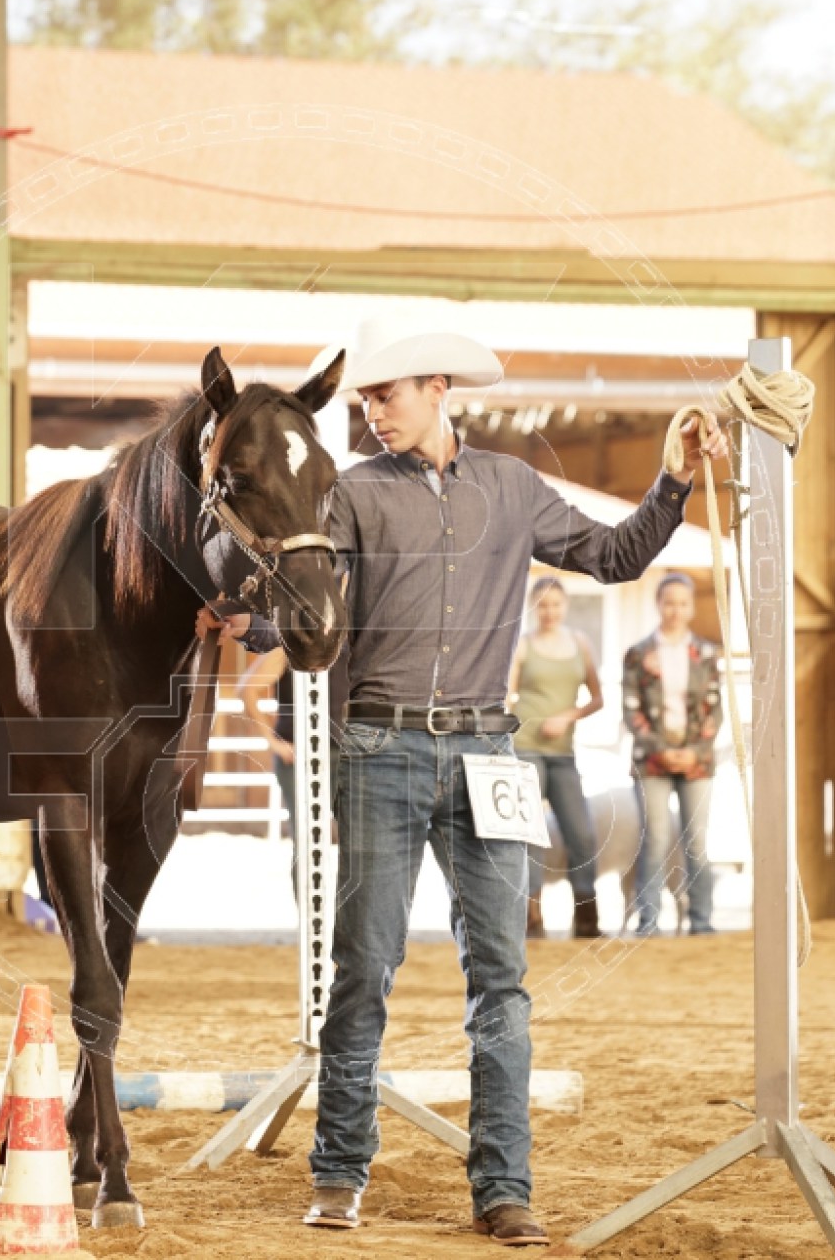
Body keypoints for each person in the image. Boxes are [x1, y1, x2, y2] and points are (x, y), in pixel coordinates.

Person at [207, 328, 726, 1246]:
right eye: (366, 400)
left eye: (388, 395)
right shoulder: (350, 492)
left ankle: (503, 1187)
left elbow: (615, 556)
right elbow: (305, 602)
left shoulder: (515, 488)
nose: (374, 412)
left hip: (490, 750)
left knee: (502, 981)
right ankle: (338, 1172)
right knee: (363, 967)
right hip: (378, 745)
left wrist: (674, 479)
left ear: (438, 387)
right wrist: (245, 618)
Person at [622, 572, 724, 937]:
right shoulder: (637, 654)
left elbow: (715, 709)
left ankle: (702, 920)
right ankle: (648, 922)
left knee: (697, 839)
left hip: (698, 761)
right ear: (658, 605)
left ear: (691, 607)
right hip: (652, 761)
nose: (675, 610)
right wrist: (662, 750)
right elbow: (631, 710)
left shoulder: (707, 654)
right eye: (669, 603)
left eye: (683, 603)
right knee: (656, 837)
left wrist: (693, 752)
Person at [507, 577, 604, 940]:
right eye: (542, 605)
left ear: (566, 606)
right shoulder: (523, 645)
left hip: (563, 752)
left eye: (556, 604)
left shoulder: (581, 644)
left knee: (581, 833)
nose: (549, 612)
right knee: (531, 834)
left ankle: (587, 919)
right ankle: (532, 918)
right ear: (534, 607)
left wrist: (567, 717)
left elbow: (597, 699)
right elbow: (507, 696)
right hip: (526, 748)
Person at [237, 645, 297, 836]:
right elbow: (246, 689)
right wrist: (273, 742)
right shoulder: (287, 648)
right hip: (295, 755)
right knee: (304, 834)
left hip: (345, 752)